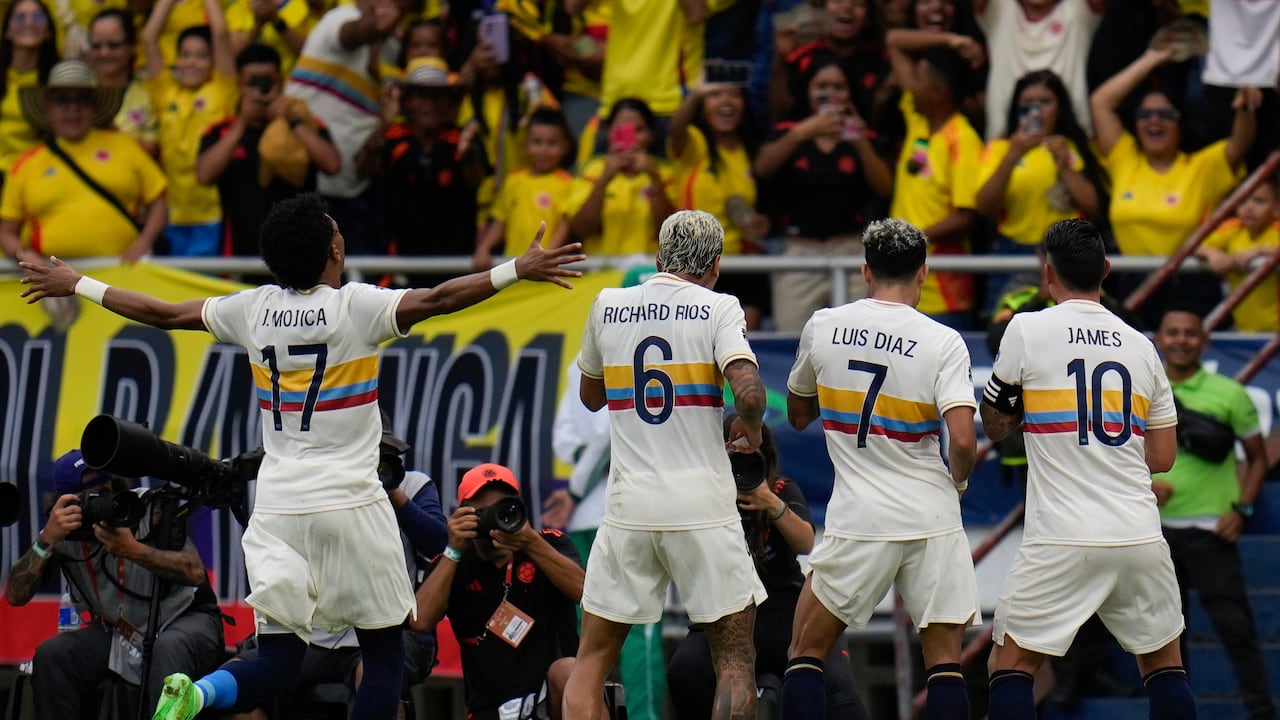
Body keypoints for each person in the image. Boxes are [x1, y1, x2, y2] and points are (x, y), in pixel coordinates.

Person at [17, 192, 586, 720]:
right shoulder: (354, 308)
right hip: (352, 505)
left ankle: (199, 692)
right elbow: (439, 298)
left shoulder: (253, 309)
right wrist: (518, 268)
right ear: (335, 249)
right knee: (385, 655)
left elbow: (163, 313)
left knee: (278, 660)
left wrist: (79, 283)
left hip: (279, 510)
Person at [562, 209, 770, 720]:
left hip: (629, 504)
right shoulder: (719, 308)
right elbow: (748, 389)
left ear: (657, 258)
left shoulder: (608, 304)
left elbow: (590, 397)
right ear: (716, 266)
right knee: (736, 665)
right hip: (701, 504)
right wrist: (753, 426)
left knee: (590, 663)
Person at [981, 218, 1190, 720]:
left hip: (1061, 535)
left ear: (1046, 273)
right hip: (1137, 532)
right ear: (1106, 270)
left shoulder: (1026, 329)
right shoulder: (1141, 345)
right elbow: (1163, 458)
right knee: (1164, 665)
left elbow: (994, 424)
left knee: (1010, 665)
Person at [782, 217, 979, 720]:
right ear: (924, 274)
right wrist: (957, 482)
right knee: (944, 666)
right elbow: (961, 438)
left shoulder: (824, 324)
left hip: (860, 516)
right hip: (931, 512)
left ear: (866, 272)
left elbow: (798, 415)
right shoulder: (943, 340)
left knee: (806, 652)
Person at [226, 411, 449, 720]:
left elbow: (439, 541)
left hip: (380, 632)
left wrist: (392, 496)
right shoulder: (315, 490)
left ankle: (205, 690)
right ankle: (205, 692)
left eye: (381, 456)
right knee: (244, 689)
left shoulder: (411, 485)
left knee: (381, 684)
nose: (372, 464)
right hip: (311, 633)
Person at [667, 417, 869, 720]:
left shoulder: (780, 488)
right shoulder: (703, 496)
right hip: (727, 612)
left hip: (785, 610)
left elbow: (805, 542)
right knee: (685, 674)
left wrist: (769, 502)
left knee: (839, 693)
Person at [2, 450, 225, 720]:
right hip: (118, 631)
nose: (102, 505)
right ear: (65, 504)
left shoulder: (146, 507)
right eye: (91, 499)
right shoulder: (61, 530)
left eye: (106, 492)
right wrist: (46, 540)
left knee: (168, 648)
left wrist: (132, 549)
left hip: (184, 617)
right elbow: (15, 595)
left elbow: (195, 572)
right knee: (53, 656)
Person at [1151, 306, 1276, 720]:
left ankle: (1261, 712)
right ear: (1159, 340)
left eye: (1190, 333)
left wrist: (1242, 509)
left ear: (1204, 342)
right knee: (1167, 639)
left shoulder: (1230, 394)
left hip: (1211, 532)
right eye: (1173, 333)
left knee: (1237, 631)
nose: (1181, 340)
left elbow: (1258, 459)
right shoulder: (1142, 392)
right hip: (1155, 535)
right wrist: (1144, 485)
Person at [1090, 45, 1259, 326]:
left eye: (1165, 115)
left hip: (1191, 284)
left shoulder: (1202, 166)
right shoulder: (1124, 158)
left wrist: (1245, 107)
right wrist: (1152, 58)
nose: (1154, 120)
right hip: (1133, 283)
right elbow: (1100, 103)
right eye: (1145, 115)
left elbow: (1241, 143)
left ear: (1180, 125)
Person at [411, 463, 588, 720]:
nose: (493, 520)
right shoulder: (454, 562)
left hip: (553, 701)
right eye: (481, 512)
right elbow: (420, 623)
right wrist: (453, 551)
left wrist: (530, 542)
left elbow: (586, 593)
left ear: (518, 508)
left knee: (569, 670)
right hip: (490, 709)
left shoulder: (549, 543)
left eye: (502, 509)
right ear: (462, 515)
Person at [754, 53, 893, 333]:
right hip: (798, 251)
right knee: (792, 335)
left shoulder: (865, 137)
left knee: (855, 338)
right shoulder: (787, 132)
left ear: (850, 92)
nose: (830, 94)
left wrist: (860, 141)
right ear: (807, 90)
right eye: (822, 86)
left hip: (851, 249)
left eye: (838, 87)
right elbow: (762, 169)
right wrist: (800, 134)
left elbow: (884, 187)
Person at [0, 60, 167, 265]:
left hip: (121, 281)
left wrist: (145, 241)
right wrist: (24, 256)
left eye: (82, 100)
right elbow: (6, 231)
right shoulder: (25, 165)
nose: (73, 108)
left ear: (94, 107)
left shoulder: (126, 147)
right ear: (48, 109)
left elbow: (159, 201)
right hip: (52, 286)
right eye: (62, 100)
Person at [975, 70, 1106, 307]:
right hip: (1013, 251)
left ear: (1060, 107)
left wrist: (1064, 165)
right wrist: (1013, 155)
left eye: (1045, 102)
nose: (1036, 110)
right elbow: (984, 207)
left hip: (1067, 251)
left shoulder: (1075, 147)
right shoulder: (1000, 147)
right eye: (1028, 103)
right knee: (1005, 329)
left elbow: (1094, 207)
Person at [197, 43, 341, 257]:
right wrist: (242, 124)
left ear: (281, 82)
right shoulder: (221, 131)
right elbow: (204, 175)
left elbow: (332, 165)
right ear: (239, 84)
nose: (260, 90)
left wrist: (292, 122)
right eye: (252, 83)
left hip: (300, 252)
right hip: (240, 253)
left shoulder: (305, 123)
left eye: (267, 82)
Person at [883, 38, 981, 329]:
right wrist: (954, 41)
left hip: (943, 296)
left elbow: (968, 216)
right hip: (897, 284)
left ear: (939, 93)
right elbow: (896, 42)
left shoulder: (963, 140)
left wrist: (909, 240)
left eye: (920, 80)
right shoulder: (919, 121)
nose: (911, 86)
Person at [142, 0, 238, 257]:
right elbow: (149, 38)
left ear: (213, 61)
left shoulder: (222, 90)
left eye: (201, 55)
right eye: (184, 54)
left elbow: (219, 32)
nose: (191, 62)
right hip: (173, 216)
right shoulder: (166, 92)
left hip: (212, 214)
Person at [473, 108, 576, 272]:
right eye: (537, 142)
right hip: (513, 266)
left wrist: (547, 256)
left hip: (546, 267)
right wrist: (484, 248)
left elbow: (565, 226)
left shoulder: (568, 183)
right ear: (525, 143)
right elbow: (500, 221)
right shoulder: (513, 180)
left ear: (566, 147)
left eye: (552, 143)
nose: (543, 150)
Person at [1194, 178, 1279, 332]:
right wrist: (1212, 253)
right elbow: (1195, 246)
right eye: (1243, 200)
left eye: (1259, 201)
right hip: (1244, 328)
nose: (1249, 207)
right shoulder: (1233, 227)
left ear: (1277, 207)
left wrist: (1260, 250)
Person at [87, 8, 158, 157]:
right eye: (96, 46)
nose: (104, 53)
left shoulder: (149, 92)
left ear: (132, 46)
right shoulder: (75, 90)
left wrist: (113, 134)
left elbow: (151, 149)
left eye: (114, 45)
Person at [0, 0, 58, 180]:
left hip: (36, 179)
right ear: (7, 31)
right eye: (20, 17)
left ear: (48, 32)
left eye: (38, 17)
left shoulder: (59, 84)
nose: (29, 22)